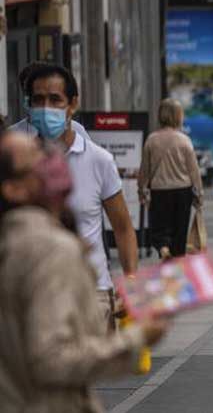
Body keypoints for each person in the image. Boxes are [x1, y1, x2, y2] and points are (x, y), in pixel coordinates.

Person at [0, 131, 168, 413]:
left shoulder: (14, 241)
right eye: (34, 160)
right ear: (13, 189)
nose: (49, 161)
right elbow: (52, 358)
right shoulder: (51, 249)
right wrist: (137, 338)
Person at [24, 64, 139, 326]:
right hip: (34, 296)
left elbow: (123, 227)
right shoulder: (19, 163)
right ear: (29, 107)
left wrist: (131, 280)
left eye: (55, 100)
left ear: (72, 104)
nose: (46, 108)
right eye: (38, 100)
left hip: (92, 292)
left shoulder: (98, 160)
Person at [138, 99, 203, 260]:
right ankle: (177, 264)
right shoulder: (184, 140)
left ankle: (163, 247)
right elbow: (194, 171)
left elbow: (144, 169)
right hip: (183, 191)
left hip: (159, 191)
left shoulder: (152, 140)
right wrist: (199, 194)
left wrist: (141, 189)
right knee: (179, 230)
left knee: (160, 228)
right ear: (178, 116)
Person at [9, 61, 90, 140]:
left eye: (54, 99)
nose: (45, 106)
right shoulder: (11, 135)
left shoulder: (77, 131)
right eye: (38, 98)